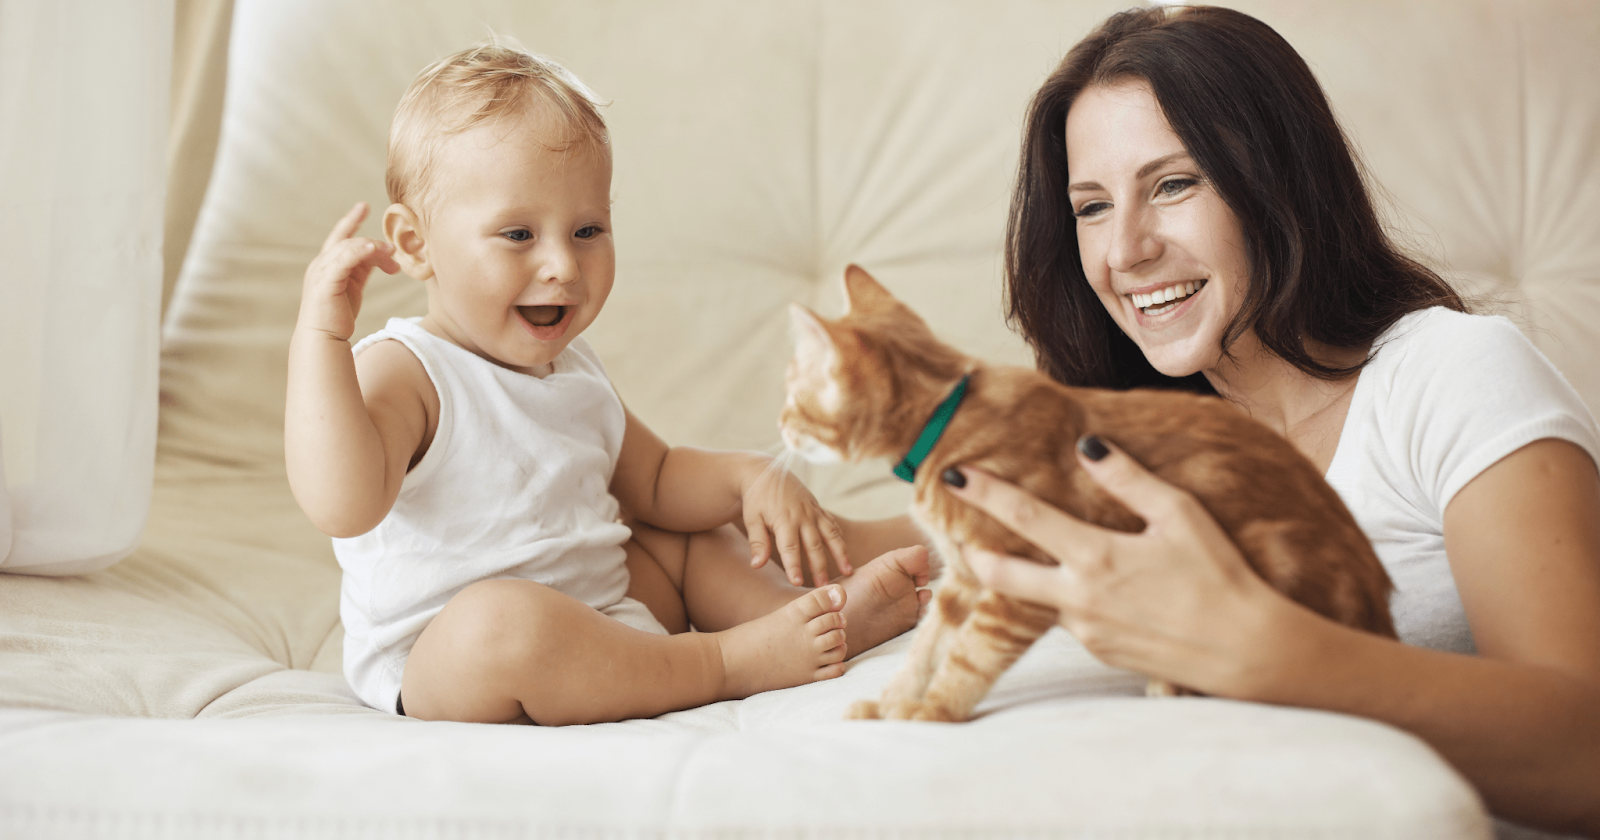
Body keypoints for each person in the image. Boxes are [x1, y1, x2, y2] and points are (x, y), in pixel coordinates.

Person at [946, 6, 1600, 835]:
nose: (1124, 253)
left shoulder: (1451, 373)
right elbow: (905, 538)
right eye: (1091, 207)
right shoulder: (1144, 437)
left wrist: (1258, 647)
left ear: (1281, 182)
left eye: (1174, 184)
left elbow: (1588, 754)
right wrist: (744, 487)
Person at [283, 42, 930, 727]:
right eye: (518, 234)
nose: (563, 264)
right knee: (502, 621)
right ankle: (729, 662)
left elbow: (656, 479)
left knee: (689, 538)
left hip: (606, 615)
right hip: (456, 660)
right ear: (414, 245)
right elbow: (342, 504)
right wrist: (319, 341)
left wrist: (749, 478)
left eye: (588, 229)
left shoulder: (573, 368)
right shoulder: (407, 368)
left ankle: (815, 613)